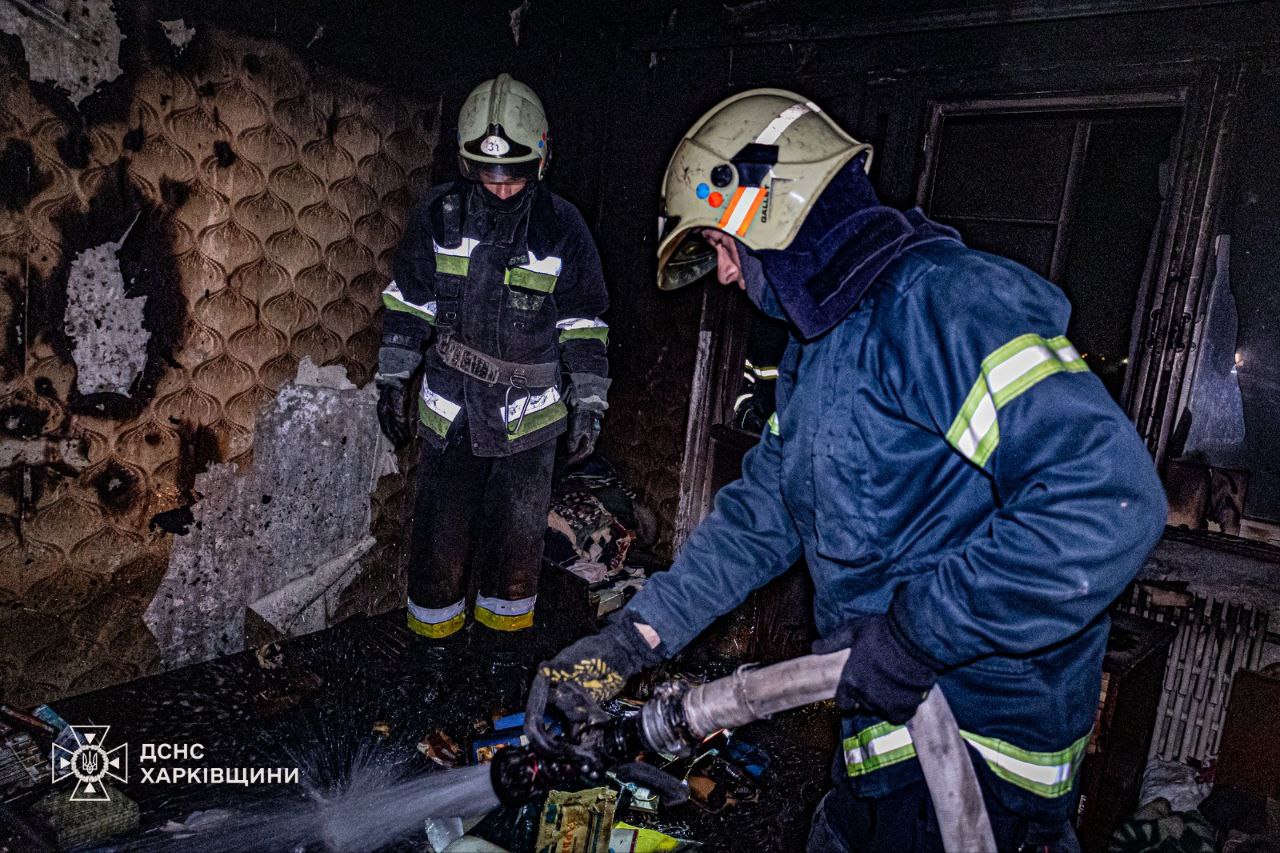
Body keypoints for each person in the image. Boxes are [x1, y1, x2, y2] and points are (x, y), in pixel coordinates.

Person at [526, 89, 1167, 852]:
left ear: (772, 211)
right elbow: (761, 517)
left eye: (723, 249)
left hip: (977, 762)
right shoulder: (817, 353)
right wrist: (626, 644)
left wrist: (921, 631)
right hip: (885, 741)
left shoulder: (945, 306)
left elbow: (1108, 500)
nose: (725, 277)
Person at [376, 74, 610, 644]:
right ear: (467, 163)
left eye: (515, 176)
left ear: (541, 162)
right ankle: (430, 663)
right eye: (488, 174)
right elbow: (409, 303)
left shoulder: (563, 227)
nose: (502, 188)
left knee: (515, 556)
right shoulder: (438, 216)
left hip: (529, 423)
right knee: (439, 547)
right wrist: (392, 379)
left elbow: (584, 322)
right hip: (451, 412)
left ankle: (502, 663)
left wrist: (589, 402)